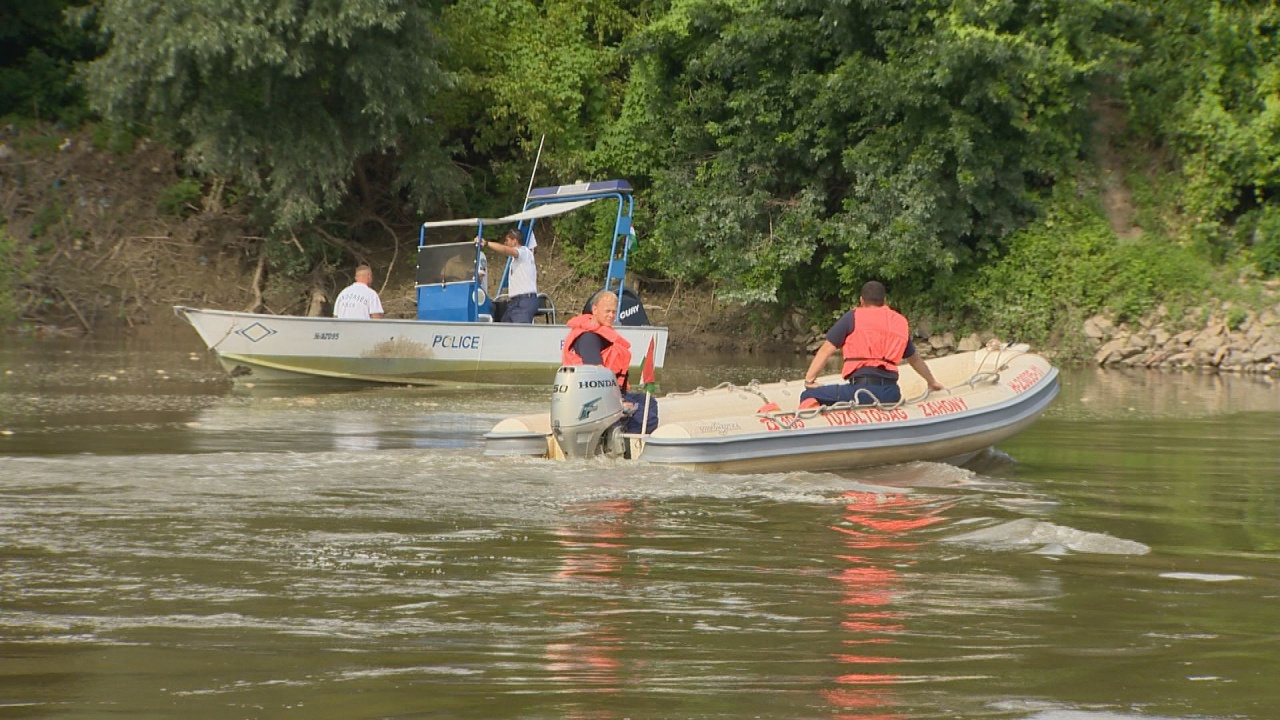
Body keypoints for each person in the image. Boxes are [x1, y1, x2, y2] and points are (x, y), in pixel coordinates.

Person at [798, 280, 944, 408]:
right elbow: (915, 359)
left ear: (861, 300)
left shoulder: (852, 317)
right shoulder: (898, 322)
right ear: (884, 301)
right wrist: (932, 382)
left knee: (808, 395)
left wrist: (809, 380)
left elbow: (825, 350)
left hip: (860, 392)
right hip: (891, 393)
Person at [562, 290, 659, 434]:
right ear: (595, 310)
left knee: (649, 401)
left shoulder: (600, 333)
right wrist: (619, 402)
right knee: (647, 417)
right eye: (607, 311)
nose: (611, 316)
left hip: (608, 394)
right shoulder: (589, 337)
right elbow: (597, 376)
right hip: (595, 398)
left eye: (614, 312)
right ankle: (623, 441)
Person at [477, 227, 538, 323]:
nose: (505, 243)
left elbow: (506, 250)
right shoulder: (518, 259)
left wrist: (487, 243)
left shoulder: (523, 252)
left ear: (514, 241)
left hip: (524, 301)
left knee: (519, 333)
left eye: (507, 240)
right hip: (515, 302)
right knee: (504, 329)